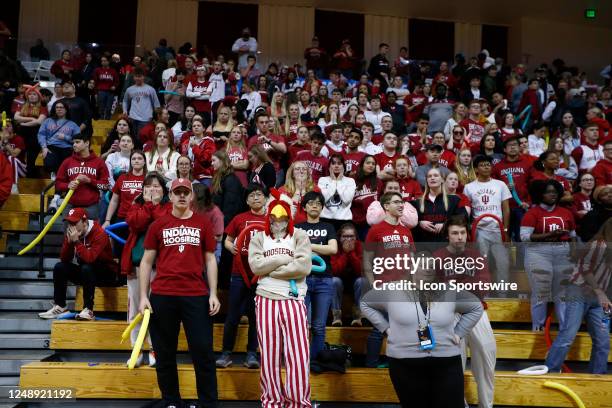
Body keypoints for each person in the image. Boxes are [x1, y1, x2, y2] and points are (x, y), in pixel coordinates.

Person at [361, 245, 483, 408]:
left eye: (431, 266)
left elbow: (476, 307)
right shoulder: (392, 290)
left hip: (446, 362)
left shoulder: (448, 291)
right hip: (405, 364)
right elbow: (365, 303)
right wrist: (385, 327)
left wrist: (459, 332)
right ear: (412, 267)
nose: (428, 270)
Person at [139, 178, 220, 408]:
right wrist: (144, 296)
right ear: (171, 196)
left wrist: (213, 293)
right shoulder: (158, 225)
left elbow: (210, 259)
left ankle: (208, 403)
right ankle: (172, 401)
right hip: (163, 295)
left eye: (186, 192)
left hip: (196, 294)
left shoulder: (203, 223)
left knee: (203, 351)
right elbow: (146, 263)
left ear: (192, 196)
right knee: (164, 354)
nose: (182, 196)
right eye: (178, 192)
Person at [248, 190, 312, 408]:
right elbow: (255, 266)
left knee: (299, 356)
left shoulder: (300, 236)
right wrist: (284, 259)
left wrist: (271, 268)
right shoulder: (258, 238)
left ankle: (299, 403)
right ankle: (272, 402)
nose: (278, 222)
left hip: (293, 299)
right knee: (269, 356)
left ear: (289, 216)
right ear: (268, 217)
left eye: (283, 218)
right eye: (274, 218)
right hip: (265, 299)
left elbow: (303, 267)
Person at [434, 215, 496, 408]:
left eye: (462, 232)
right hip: (449, 315)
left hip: (477, 311)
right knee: (454, 366)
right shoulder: (438, 257)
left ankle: (487, 405)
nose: (459, 237)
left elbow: (484, 285)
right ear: (448, 235)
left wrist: (453, 286)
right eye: (454, 233)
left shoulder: (477, 256)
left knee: (487, 359)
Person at [544, 218, 611, 374]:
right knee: (568, 335)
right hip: (579, 292)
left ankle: (597, 377)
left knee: (603, 340)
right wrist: (600, 293)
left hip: (599, 298)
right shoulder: (598, 245)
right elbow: (584, 268)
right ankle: (551, 371)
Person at [120, 172, 171, 367]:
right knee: (135, 309)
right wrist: (149, 205)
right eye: (148, 186)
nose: (152, 190)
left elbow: (161, 225)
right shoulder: (135, 206)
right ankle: (137, 348)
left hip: (161, 267)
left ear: (164, 190)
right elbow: (136, 223)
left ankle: (154, 349)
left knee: (157, 310)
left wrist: (153, 206)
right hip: (136, 266)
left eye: (157, 186)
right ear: (142, 190)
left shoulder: (168, 207)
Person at [217, 184, 267, 369]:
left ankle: (252, 354)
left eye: (259, 194)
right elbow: (227, 240)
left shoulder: (271, 220)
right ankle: (226, 353)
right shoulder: (239, 218)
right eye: (252, 195)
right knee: (233, 315)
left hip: (261, 275)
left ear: (265, 198)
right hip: (239, 273)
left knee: (255, 316)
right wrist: (232, 248)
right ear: (246, 200)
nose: (255, 198)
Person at [39, 208, 119, 320]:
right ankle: (60, 306)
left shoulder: (99, 233)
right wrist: (69, 242)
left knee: (87, 267)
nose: (72, 226)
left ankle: (88, 309)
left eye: (75, 223)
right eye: (69, 223)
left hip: (107, 274)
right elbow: (65, 259)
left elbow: (90, 259)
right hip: (88, 273)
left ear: (84, 222)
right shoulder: (73, 234)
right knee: (60, 267)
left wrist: (77, 242)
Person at [521, 179, 576, 331]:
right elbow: (524, 237)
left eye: (555, 192)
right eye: (548, 192)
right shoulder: (532, 213)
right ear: (540, 194)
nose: (552, 194)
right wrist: (550, 234)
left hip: (563, 253)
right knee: (541, 293)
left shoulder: (566, 213)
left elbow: (573, 235)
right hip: (538, 253)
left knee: (562, 294)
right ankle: (538, 328)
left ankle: (565, 329)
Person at [296, 191, 338, 361]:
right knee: (302, 325)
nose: (315, 206)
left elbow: (333, 249)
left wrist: (308, 245)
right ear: (304, 207)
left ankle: (316, 361)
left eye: (319, 203)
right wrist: (319, 247)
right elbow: (294, 250)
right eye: (311, 203)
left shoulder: (328, 227)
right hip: (302, 280)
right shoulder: (298, 227)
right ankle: (301, 360)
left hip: (324, 280)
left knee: (319, 326)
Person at [464, 155, 511, 284]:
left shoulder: (500, 185)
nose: (486, 167)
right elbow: (467, 211)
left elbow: (506, 209)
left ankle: (503, 294)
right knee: (482, 263)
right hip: (479, 231)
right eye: (482, 165)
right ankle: (484, 293)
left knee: (503, 263)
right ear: (476, 169)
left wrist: (506, 230)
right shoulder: (469, 187)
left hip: (498, 229)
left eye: (488, 164)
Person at [54, 133, 109, 219]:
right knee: (68, 232)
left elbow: (105, 186)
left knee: (91, 232)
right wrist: (67, 185)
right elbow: (57, 184)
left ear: (87, 143)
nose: (74, 145)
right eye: (73, 143)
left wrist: (89, 181)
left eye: (77, 142)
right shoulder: (67, 162)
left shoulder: (99, 162)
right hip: (70, 205)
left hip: (91, 207)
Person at [412, 167, 466, 245]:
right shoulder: (417, 202)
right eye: (429, 176)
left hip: (447, 246)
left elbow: (463, 218)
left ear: (442, 180)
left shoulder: (454, 200)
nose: (432, 178)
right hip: (424, 247)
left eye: (436, 175)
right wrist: (419, 223)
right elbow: (408, 224)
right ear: (427, 181)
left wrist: (446, 224)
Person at [330, 223, 364, 327]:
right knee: (334, 281)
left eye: (351, 236)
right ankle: (336, 316)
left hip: (355, 281)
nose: (348, 239)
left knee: (362, 281)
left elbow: (361, 271)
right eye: (345, 236)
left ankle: (358, 317)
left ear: (355, 237)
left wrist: (351, 253)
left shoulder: (359, 246)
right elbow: (335, 271)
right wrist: (345, 253)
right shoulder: (335, 246)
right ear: (339, 238)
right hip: (339, 280)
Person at [37, 100, 81, 179]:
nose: (59, 109)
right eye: (57, 107)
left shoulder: (73, 124)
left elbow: (78, 139)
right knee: (50, 163)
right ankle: (55, 177)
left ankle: (61, 180)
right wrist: (44, 147)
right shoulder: (47, 121)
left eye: (61, 107)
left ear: (66, 110)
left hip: (67, 148)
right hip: (51, 147)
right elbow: (41, 134)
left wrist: (65, 137)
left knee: (67, 166)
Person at [103, 150, 145, 228]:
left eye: (139, 158)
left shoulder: (148, 179)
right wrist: (107, 220)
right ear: (130, 162)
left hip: (140, 218)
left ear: (144, 162)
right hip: (122, 217)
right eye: (133, 159)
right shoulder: (122, 178)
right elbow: (114, 200)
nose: (136, 161)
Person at [14, 86, 47, 177]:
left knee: (32, 157)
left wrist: (23, 123)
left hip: (34, 134)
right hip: (22, 133)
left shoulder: (43, 107)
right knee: (20, 154)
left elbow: (39, 122)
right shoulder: (22, 106)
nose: (32, 96)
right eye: (30, 94)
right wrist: (31, 118)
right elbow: (16, 117)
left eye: (34, 94)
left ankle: (31, 177)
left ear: (38, 97)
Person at [318, 154, 356, 231]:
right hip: (325, 219)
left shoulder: (350, 181)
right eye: (333, 163)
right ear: (329, 167)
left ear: (343, 166)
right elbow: (324, 199)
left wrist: (338, 181)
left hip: (345, 220)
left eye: (339, 163)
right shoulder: (322, 180)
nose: (336, 166)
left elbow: (346, 200)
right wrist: (334, 181)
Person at [122, 68, 160, 137]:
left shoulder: (150, 89)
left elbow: (156, 104)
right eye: (136, 76)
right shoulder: (129, 89)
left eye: (140, 76)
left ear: (143, 77)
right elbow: (125, 101)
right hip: (132, 117)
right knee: (132, 137)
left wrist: (155, 117)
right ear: (133, 77)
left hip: (146, 118)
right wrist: (125, 111)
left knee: (142, 138)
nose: (138, 78)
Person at [211, 150, 245, 226]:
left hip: (226, 225)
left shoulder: (230, 180)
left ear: (222, 161)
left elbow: (230, 208)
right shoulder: (220, 178)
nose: (211, 163)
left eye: (214, 160)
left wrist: (222, 225)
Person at [182, 118, 215, 185]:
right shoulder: (186, 142)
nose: (196, 127)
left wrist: (194, 147)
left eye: (198, 126)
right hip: (189, 176)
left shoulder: (209, 142)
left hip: (204, 176)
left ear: (203, 129)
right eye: (194, 126)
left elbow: (206, 159)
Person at [93, 55, 119, 120]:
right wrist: (95, 93)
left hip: (110, 92)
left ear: (108, 62)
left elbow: (117, 81)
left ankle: (107, 121)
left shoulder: (113, 71)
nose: (103, 62)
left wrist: (114, 86)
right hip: (101, 91)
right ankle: (101, 120)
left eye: (105, 61)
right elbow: (95, 82)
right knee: (101, 108)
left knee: (109, 108)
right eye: (102, 61)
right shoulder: (97, 70)